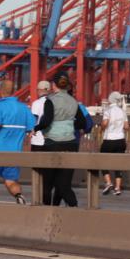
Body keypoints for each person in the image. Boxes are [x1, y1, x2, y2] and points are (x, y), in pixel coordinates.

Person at [33, 72, 88, 206]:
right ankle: (74, 207)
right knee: (64, 184)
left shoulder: (50, 101)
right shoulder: (74, 101)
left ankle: (47, 210)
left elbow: (47, 121)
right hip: (70, 144)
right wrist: (68, 125)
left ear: (53, 85)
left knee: (47, 184)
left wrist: (36, 128)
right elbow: (82, 123)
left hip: (53, 143)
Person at [0, 80, 35, 204]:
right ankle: (19, 196)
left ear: (0, 91)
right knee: (10, 181)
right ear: (13, 91)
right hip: (14, 152)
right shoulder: (24, 108)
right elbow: (32, 129)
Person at [100, 91, 129, 196]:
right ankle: (118, 188)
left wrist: (102, 128)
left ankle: (108, 183)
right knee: (119, 163)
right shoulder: (122, 111)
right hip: (121, 140)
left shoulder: (108, 110)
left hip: (109, 140)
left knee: (102, 161)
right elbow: (126, 127)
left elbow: (105, 123)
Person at [29, 80, 53, 153]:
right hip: (51, 140)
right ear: (49, 90)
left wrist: (31, 130)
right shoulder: (53, 102)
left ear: (39, 90)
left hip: (37, 140)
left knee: (36, 163)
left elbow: (33, 120)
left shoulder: (36, 103)